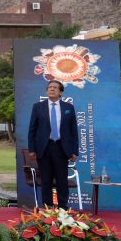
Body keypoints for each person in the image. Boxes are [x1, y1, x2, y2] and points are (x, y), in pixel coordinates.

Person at [27, 80, 78, 208]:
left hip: (62, 148)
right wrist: (32, 149)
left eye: (55, 87)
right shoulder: (38, 107)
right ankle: (47, 207)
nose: (52, 89)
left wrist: (74, 151)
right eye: (49, 87)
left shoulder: (68, 108)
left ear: (60, 92)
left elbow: (74, 131)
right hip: (44, 148)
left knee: (62, 180)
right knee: (46, 180)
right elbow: (32, 129)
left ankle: (63, 208)